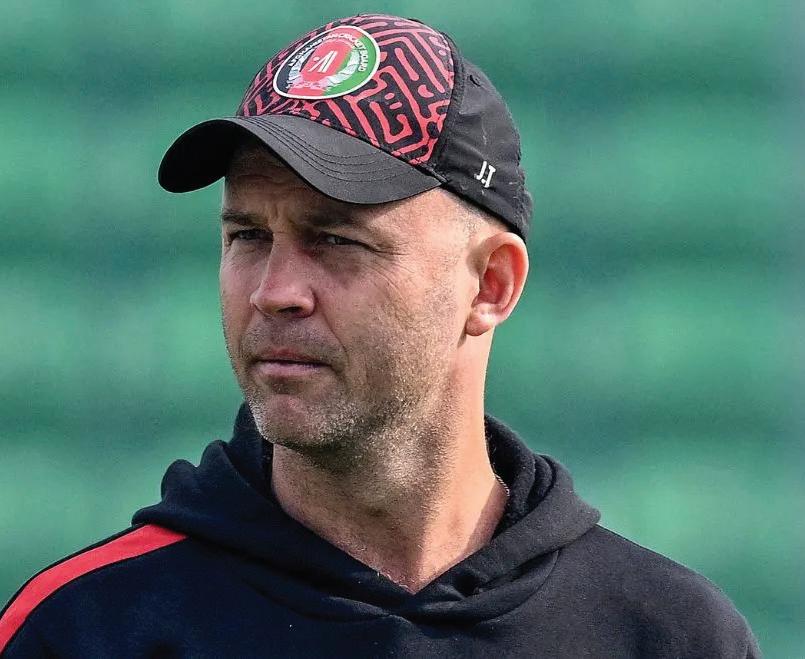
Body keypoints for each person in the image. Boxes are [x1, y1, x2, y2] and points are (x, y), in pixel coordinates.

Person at [0, 13, 761, 658]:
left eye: (336, 239)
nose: (274, 292)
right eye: (248, 236)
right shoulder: (83, 629)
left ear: (490, 285)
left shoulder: (668, 635)